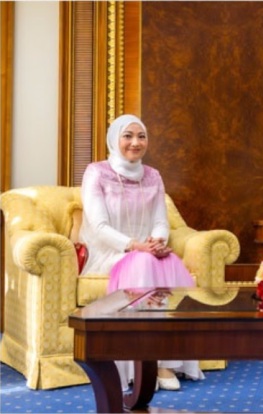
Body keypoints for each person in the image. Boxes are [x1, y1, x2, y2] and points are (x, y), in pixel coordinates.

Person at [79, 114, 204, 391]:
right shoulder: (96, 173)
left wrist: (157, 243)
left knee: (159, 260)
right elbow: (99, 227)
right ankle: (149, 363)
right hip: (109, 252)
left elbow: (160, 221)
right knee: (146, 263)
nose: (135, 143)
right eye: (128, 136)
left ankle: (159, 361)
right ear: (114, 139)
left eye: (141, 136)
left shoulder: (153, 176)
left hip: (145, 252)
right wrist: (137, 246)